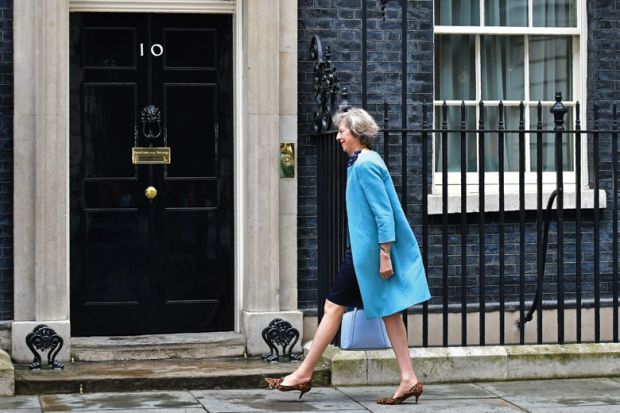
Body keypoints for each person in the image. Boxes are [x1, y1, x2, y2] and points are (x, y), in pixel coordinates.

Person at [265, 108, 431, 405]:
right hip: (364, 253)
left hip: (365, 256)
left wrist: (384, 254)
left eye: (343, 131)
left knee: (333, 306)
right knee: (390, 311)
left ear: (357, 134)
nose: (339, 137)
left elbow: (384, 215)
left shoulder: (365, 165)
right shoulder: (362, 163)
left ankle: (303, 374)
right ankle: (408, 378)